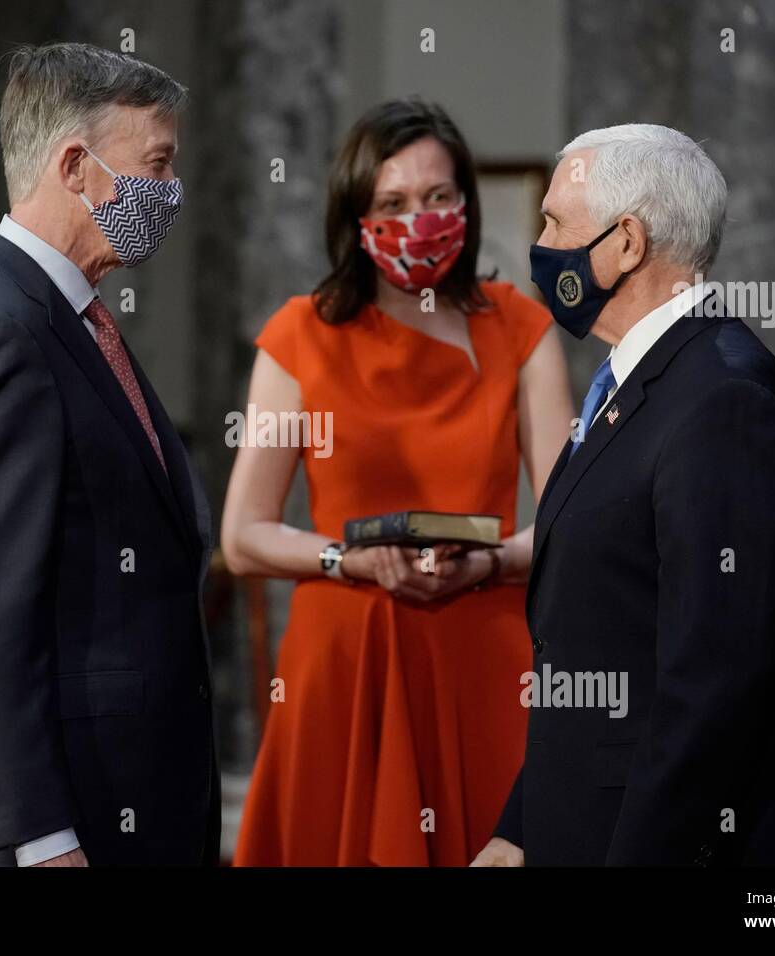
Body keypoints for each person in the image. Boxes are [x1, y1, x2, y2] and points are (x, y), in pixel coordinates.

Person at [472, 124, 775, 867]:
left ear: (626, 243)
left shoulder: (724, 399)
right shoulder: (636, 380)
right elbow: (596, 641)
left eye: (554, 223)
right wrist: (524, 821)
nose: (540, 245)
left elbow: (713, 687)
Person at [223, 99, 574, 866]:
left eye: (438, 197)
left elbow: (568, 518)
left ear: (467, 205)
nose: (420, 217)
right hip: (345, 661)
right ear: (356, 215)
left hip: (483, 650)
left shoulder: (521, 327)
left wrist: (491, 562)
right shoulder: (299, 335)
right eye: (392, 203)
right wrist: (341, 560)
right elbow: (243, 535)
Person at [0, 42, 219, 867]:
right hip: (61, 826)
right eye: (157, 165)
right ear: (76, 167)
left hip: (128, 799)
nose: (171, 192)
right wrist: (40, 839)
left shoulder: (69, 318)